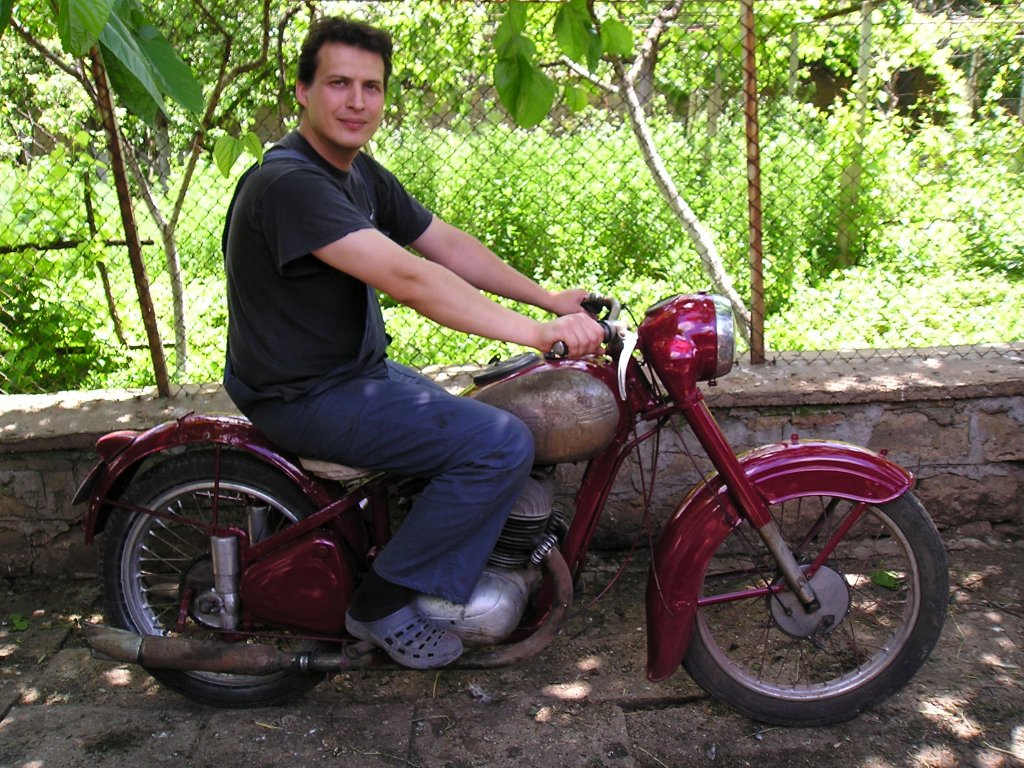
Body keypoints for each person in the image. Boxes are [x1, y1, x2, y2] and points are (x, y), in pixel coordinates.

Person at [222, 16, 605, 670]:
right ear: (302, 92)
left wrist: (549, 299)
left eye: (371, 87)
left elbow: (445, 244)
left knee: (494, 416)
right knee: (499, 444)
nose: (357, 101)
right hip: (302, 395)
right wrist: (538, 333)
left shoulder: (355, 173)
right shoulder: (291, 185)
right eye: (339, 83)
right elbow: (412, 278)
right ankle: (382, 603)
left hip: (354, 375)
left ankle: (472, 559)